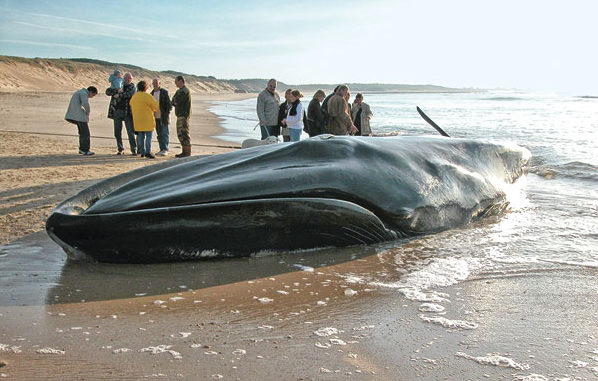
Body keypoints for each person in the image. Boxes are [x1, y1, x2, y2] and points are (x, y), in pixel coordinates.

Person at [109, 72, 137, 155]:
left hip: (127, 112)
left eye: (130, 78)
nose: (128, 79)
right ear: (123, 78)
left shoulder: (132, 87)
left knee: (130, 132)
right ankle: (120, 148)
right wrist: (115, 91)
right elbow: (108, 91)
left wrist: (119, 94)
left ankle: (133, 149)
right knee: (117, 132)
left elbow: (129, 94)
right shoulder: (118, 85)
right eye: (126, 78)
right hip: (117, 111)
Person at [65, 86, 98, 155]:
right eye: (93, 95)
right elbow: (85, 103)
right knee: (86, 134)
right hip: (79, 116)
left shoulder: (79, 92)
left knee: (82, 133)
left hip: (74, 115)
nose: (92, 97)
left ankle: (81, 149)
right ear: (91, 92)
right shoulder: (83, 94)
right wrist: (87, 112)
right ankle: (85, 150)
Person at [130, 80, 159, 159]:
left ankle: (142, 152)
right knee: (148, 137)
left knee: (140, 137)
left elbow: (131, 105)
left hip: (138, 120)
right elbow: (156, 106)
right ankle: (148, 151)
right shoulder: (148, 96)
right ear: (145, 88)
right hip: (147, 119)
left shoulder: (134, 97)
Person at [150, 78, 172, 156]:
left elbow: (169, 105)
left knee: (165, 133)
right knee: (159, 134)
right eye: (154, 83)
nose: (155, 84)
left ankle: (165, 149)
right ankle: (161, 149)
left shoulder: (164, 92)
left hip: (163, 117)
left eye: (156, 83)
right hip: (155, 117)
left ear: (159, 83)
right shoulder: (151, 93)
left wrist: (166, 114)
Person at [171, 75, 192, 158]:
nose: (175, 84)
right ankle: (184, 151)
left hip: (184, 115)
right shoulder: (180, 91)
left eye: (176, 82)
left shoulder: (184, 91)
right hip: (180, 115)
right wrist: (174, 101)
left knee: (184, 133)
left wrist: (174, 101)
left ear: (181, 81)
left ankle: (187, 152)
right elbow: (173, 101)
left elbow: (176, 101)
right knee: (180, 134)